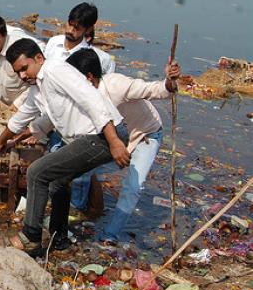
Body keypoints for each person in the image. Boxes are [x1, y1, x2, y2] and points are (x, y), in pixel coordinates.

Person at [0, 38, 129, 257]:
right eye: (18, 73)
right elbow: (23, 118)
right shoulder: (38, 88)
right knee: (57, 181)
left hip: (103, 134)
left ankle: (31, 237)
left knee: (37, 172)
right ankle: (59, 238)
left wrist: (114, 141)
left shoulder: (55, 70)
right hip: (91, 136)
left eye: (25, 69)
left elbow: (91, 99)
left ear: (39, 58)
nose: (23, 76)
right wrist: (6, 140)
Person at [64, 49, 180, 243]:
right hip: (116, 138)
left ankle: (110, 234)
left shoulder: (116, 85)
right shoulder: (82, 95)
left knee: (133, 187)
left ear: (89, 77)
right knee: (82, 168)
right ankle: (78, 209)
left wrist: (170, 81)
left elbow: (154, 89)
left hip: (145, 135)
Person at [44, 2, 115, 75]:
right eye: (70, 24)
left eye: (77, 28)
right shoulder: (54, 42)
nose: (70, 30)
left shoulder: (102, 59)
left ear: (88, 30)